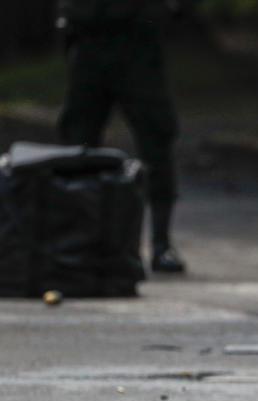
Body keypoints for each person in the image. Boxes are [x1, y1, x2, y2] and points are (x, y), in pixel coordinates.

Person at [57, 0, 186, 273]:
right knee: (76, 144)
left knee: (156, 139)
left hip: (138, 41)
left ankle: (161, 243)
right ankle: (75, 242)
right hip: (88, 38)